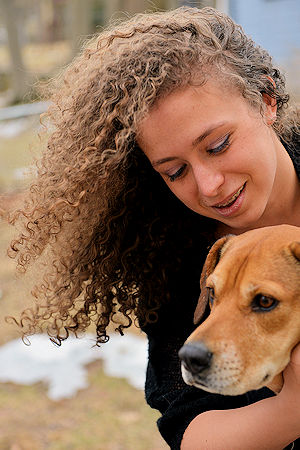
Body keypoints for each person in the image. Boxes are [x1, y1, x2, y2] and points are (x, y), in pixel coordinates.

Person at [7, 6, 300, 449]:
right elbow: (192, 433)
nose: (209, 186)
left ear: (266, 101)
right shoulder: (173, 258)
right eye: (174, 171)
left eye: (218, 145)